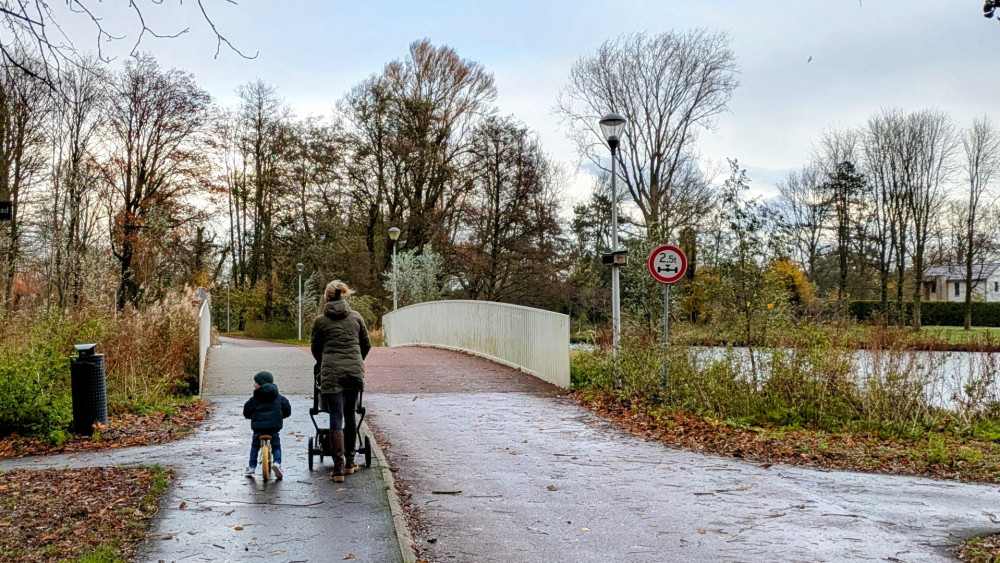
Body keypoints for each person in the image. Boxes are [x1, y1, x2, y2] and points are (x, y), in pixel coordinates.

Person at [311, 280, 371, 482]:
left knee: (335, 417)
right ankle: (350, 462)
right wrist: (355, 360)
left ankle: (337, 469)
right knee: (350, 415)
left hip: (331, 372)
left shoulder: (320, 321)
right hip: (353, 371)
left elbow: (315, 349)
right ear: (343, 296)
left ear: (326, 298)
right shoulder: (356, 318)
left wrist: (325, 361)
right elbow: (366, 344)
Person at [243, 370, 292, 479]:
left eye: (256, 382)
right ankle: (277, 463)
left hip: (258, 429)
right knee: (276, 446)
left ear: (261, 384)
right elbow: (287, 409)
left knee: (255, 446)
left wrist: (250, 416)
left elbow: (246, 410)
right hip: (274, 428)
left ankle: (251, 467)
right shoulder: (278, 397)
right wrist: (280, 416)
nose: (254, 384)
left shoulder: (255, 398)